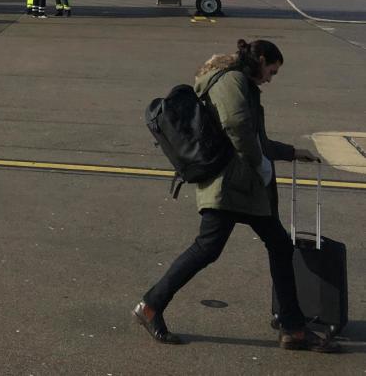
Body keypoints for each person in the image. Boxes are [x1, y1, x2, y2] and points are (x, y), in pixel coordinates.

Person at [133, 39, 338, 353]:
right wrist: (260, 163)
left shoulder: (239, 82)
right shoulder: (232, 80)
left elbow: (255, 137)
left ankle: (293, 327)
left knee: (277, 246)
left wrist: (292, 152)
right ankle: (151, 305)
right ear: (260, 59)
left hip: (243, 186)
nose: (270, 78)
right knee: (209, 248)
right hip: (231, 184)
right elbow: (237, 126)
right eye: (272, 70)